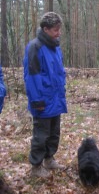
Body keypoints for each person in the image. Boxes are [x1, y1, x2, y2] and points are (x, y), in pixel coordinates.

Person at [23, 12, 67, 178]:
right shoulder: (35, 47)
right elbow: (31, 77)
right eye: (56, 30)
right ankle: (36, 167)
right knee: (41, 135)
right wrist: (37, 101)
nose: (58, 33)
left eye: (59, 29)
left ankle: (49, 159)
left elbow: (58, 72)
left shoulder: (56, 46)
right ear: (45, 29)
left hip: (55, 98)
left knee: (54, 132)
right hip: (42, 99)